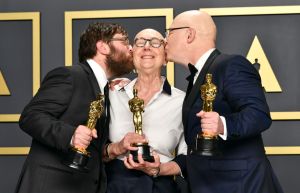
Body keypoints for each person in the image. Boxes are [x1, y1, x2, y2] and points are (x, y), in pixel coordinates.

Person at [165, 10, 283, 193]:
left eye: (170, 32)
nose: (166, 40)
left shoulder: (231, 65)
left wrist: (222, 125)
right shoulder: (198, 76)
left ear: (189, 34)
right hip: (209, 184)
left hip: (241, 185)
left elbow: (259, 115)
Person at [15, 22, 133, 193]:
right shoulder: (70, 76)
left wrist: (115, 148)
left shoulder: (105, 90)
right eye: (124, 41)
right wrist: (71, 135)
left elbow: (92, 145)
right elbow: (31, 116)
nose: (130, 48)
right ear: (103, 47)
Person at [103, 28, 187, 193]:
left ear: (165, 57)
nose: (147, 47)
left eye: (156, 43)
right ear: (132, 54)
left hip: (161, 185)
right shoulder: (111, 94)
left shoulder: (183, 101)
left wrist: (158, 169)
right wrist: (117, 147)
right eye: (140, 42)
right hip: (114, 185)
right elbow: (94, 148)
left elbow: (188, 159)